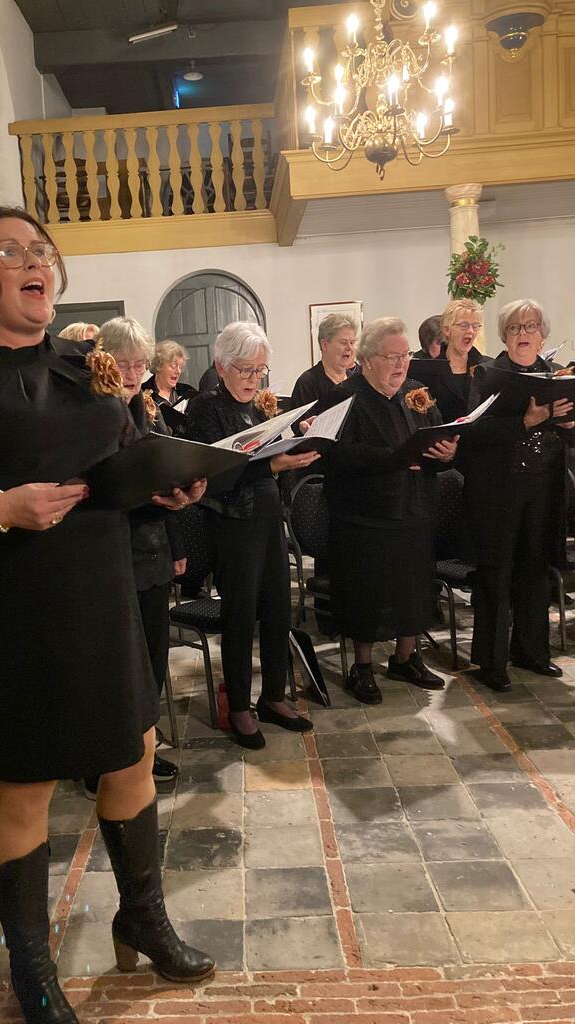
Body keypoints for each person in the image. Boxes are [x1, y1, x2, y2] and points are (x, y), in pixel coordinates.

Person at [0, 205, 213, 1024]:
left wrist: (162, 487)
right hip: (9, 614)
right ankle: (31, 968)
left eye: (42, 250)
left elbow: (114, 473)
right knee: (21, 791)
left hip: (100, 598)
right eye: (11, 251)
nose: (36, 262)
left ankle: (143, 918)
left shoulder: (82, 367)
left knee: (132, 758)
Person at [184, 321, 316, 748]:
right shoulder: (205, 408)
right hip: (231, 524)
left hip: (268, 517)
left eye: (260, 370)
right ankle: (239, 705)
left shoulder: (261, 407)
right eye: (245, 369)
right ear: (221, 366)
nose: (254, 378)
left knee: (279, 608)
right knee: (240, 616)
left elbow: (270, 460)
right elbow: (212, 476)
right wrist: (271, 466)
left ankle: (273, 696)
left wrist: (297, 442)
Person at [322, 317, 457, 705]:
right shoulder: (344, 397)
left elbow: (435, 434)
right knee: (367, 594)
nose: (401, 364)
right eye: (391, 357)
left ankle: (405, 658)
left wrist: (446, 453)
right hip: (364, 515)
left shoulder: (416, 392)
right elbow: (337, 454)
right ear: (366, 360)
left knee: (413, 588)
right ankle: (362, 667)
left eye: (405, 355)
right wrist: (393, 458)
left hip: (414, 507)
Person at [461, 298, 574, 692]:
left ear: (543, 335)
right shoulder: (487, 375)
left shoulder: (557, 376)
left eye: (530, 327)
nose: (523, 333)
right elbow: (472, 432)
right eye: (514, 327)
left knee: (535, 571)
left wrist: (568, 424)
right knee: (497, 575)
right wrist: (525, 421)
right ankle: (491, 662)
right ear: (504, 336)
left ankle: (531, 651)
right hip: (499, 491)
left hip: (544, 488)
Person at [97, 316, 186, 786]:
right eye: (124, 364)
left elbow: (166, 462)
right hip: (110, 554)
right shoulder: (92, 413)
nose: (133, 374)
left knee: (152, 657)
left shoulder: (146, 408)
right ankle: (106, 761)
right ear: (102, 362)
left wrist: (185, 489)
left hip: (152, 550)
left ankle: (142, 749)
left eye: (140, 365)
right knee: (116, 665)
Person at [411, 300, 490, 423]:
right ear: (447, 330)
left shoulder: (488, 367)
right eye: (464, 325)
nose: (471, 331)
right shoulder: (427, 370)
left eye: (475, 326)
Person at [291, 313, 358, 411]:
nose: (349, 348)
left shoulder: (357, 380)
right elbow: (302, 420)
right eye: (343, 342)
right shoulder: (307, 383)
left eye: (352, 342)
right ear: (324, 345)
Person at [142, 340, 198, 407]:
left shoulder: (188, 392)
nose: (178, 371)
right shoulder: (141, 393)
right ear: (159, 365)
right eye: (173, 366)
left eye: (180, 367)